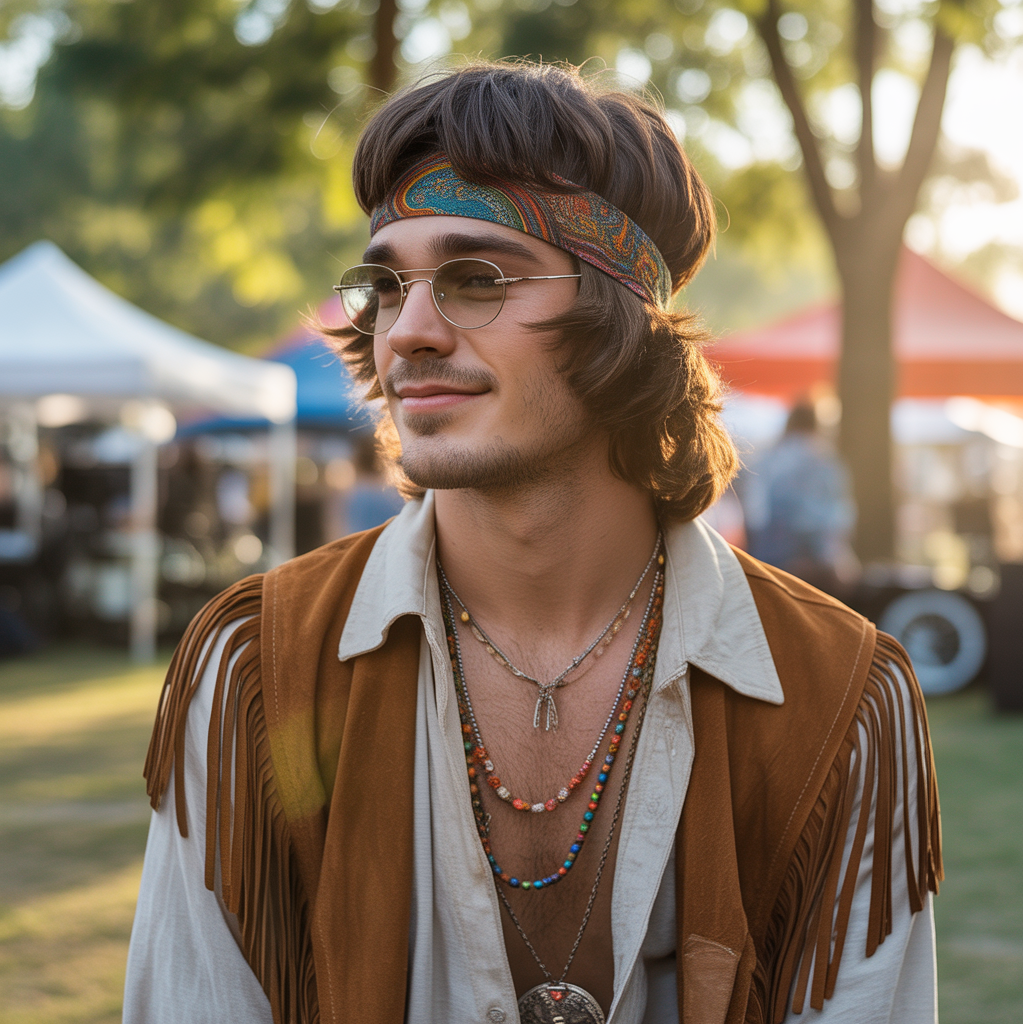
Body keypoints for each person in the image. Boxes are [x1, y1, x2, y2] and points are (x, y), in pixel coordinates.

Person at [124, 62, 941, 1024]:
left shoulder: (838, 693)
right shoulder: (260, 668)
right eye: (386, 285)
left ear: (620, 319)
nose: (408, 333)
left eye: (477, 279)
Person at [743, 402, 858, 597]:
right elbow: (840, 517)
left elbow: (754, 515)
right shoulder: (826, 459)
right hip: (822, 565)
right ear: (817, 426)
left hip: (772, 564)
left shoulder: (767, 459)